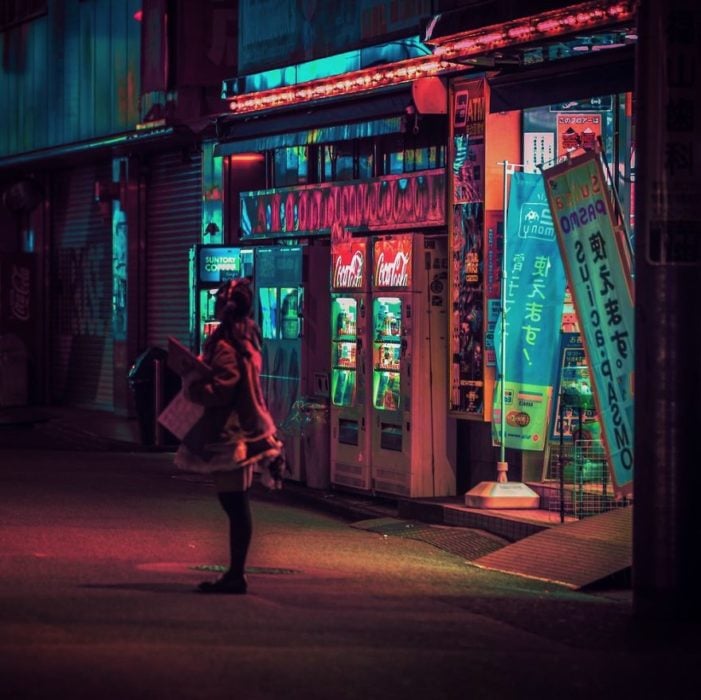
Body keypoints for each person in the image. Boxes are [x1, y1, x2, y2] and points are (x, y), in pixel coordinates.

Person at [174, 277, 284, 594]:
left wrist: (194, 385)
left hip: (232, 434)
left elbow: (223, 389)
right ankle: (235, 573)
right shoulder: (246, 338)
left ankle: (236, 574)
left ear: (226, 306)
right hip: (243, 430)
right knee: (235, 503)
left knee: (234, 504)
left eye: (218, 301)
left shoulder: (226, 345)